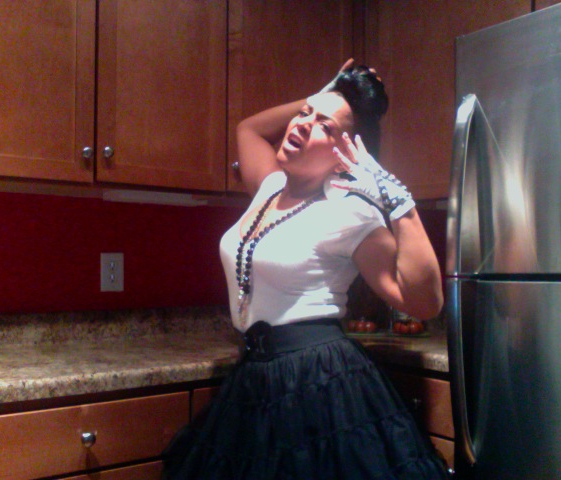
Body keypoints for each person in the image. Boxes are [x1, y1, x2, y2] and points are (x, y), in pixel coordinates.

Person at [162, 59, 448, 479]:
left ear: (344, 154)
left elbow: (424, 302)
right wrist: (324, 94)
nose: (301, 123)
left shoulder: (349, 211)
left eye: (324, 126)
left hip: (318, 384)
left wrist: (396, 199)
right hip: (253, 378)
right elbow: (248, 129)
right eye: (304, 114)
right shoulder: (271, 186)